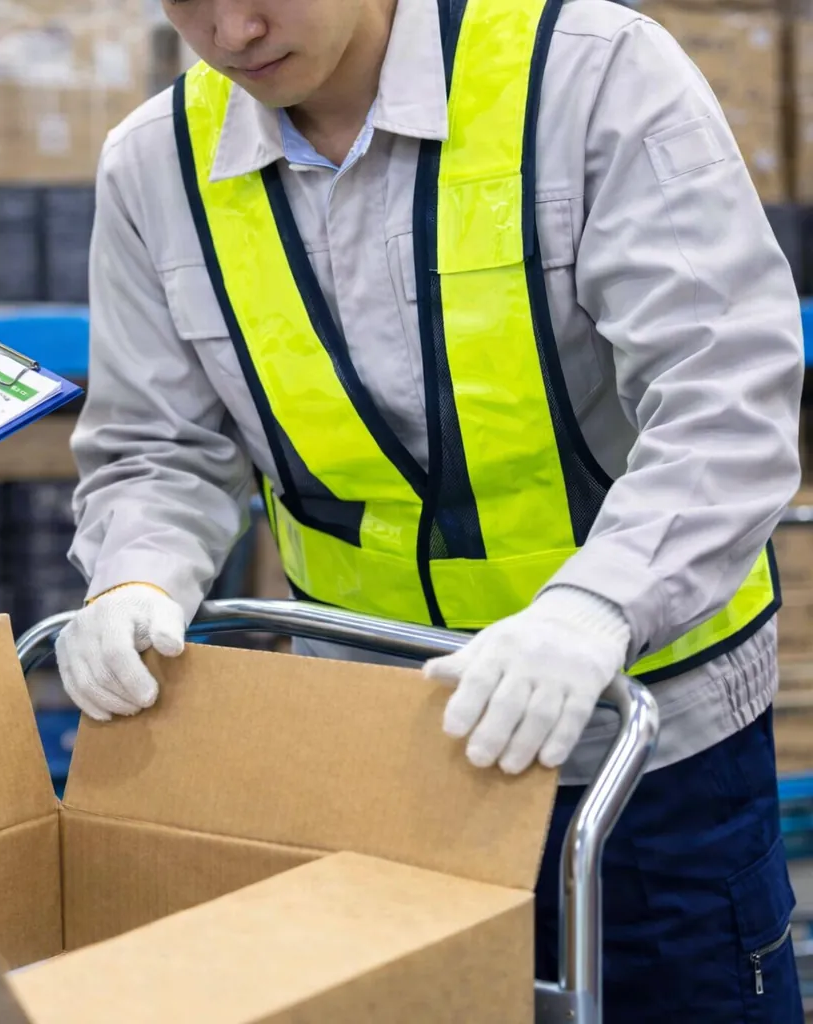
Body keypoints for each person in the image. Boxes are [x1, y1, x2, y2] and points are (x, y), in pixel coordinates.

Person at [56, 0, 805, 1018]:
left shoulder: (587, 76)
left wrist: (596, 607)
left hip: (646, 751)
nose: (231, 30)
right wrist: (136, 572)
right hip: (376, 764)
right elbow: (159, 449)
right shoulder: (157, 165)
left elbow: (726, 397)